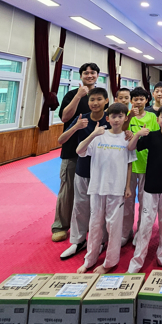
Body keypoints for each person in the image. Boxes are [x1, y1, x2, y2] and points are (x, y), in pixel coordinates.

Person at [76, 103, 135, 274]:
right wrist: (93, 134)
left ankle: (110, 262)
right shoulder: (99, 136)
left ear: (125, 118)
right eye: (113, 116)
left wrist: (127, 186)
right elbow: (79, 150)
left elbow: (130, 164)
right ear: (107, 118)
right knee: (95, 224)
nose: (116, 120)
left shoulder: (127, 138)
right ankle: (90, 259)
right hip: (97, 187)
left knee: (113, 227)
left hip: (116, 189)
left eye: (120, 116)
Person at [127, 105, 162, 272]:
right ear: (157, 120)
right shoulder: (151, 136)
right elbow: (131, 147)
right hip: (151, 187)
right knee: (146, 224)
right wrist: (137, 134)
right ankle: (137, 260)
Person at [57, 87, 110, 260]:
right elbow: (61, 140)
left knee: (100, 209)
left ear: (106, 101)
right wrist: (76, 127)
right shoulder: (82, 118)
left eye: (99, 99)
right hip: (83, 170)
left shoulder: (110, 119)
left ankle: (100, 241)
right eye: (92, 100)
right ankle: (78, 241)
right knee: (80, 206)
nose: (95, 103)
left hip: (102, 171)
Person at [51, 62, 101, 242]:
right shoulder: (72, 94)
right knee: (68, 190)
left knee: (91, 190)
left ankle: (85, 224)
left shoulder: (100, 96)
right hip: (72, 149)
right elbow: (64, 117)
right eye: (86, 73)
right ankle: (60, 226)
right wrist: (79, 96)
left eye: (93, 73)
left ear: (97, 75)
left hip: (94, 152)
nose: (89, 75)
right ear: (81, 76)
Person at [122, 87, 160, 246]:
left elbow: (157, 137)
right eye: (135, 99)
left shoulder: (152, 117)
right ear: (131, 101)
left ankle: (141, 232)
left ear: (147, 100)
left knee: (145, 203)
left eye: (141, 99)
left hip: (147, 164)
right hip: (129, 164)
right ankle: (125, 232)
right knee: (127, 201)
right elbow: (120, 131)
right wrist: (129, 119)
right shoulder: (126, 116)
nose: (138, 102)